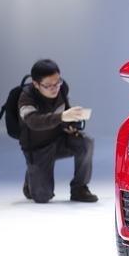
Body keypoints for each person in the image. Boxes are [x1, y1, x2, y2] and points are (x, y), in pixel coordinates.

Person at [18, 59, 98, 203]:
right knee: (42, 197)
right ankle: (31, 178)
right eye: (48, 85)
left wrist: (70, 124)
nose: (54, 88)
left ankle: (79, 188)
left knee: (86, 142)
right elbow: (33, 122)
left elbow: (64, 112)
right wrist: (62, 116)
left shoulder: (62, 88)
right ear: (36, 84)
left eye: (57, 82)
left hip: (59, 140)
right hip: (37, 148)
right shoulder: (26, 97)